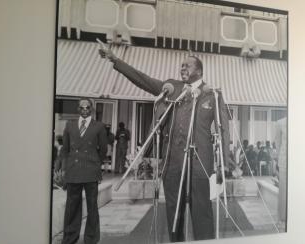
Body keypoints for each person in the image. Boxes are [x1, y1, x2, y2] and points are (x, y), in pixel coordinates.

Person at [99, 47, 230, 242]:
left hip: (200, 163)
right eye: (182, 65)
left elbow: (223, 130)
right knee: (173, 212)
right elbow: (143, 80)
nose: (183, 68)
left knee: (202, 211)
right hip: (173, 161)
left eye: (188, 65)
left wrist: (223, 163)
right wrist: (115, 60)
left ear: (200, 71)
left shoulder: (212, 94)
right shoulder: (173, 88)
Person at [61, 98, 107, 244]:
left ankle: (91, 239)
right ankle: (69, 238)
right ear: (78, 109)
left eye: (88, 107)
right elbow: (65, 149)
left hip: (91, 171)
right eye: (82, 107)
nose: (85, 110)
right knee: (72, 206)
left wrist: (94, 163)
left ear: (91, 109)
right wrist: (62, 168)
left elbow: (103, 150)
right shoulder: (70, 125)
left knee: (92, 206)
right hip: (73, 171)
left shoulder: (99, 126)